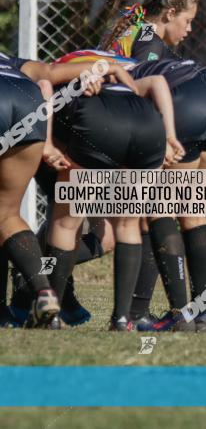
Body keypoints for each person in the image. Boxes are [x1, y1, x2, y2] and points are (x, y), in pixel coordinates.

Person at [42, 49, 184, 330]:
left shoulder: (60, 71)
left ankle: (51, 316)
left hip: (99, 122)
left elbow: (45, 83)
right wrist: (168, 135)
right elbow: (155, 82)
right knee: (128, 224)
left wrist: (47, 143)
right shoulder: (122, 74)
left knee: (67, 222)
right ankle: (121, 319)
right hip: (146, 123)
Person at [0, 51, 135, 328]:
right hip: (29, 106)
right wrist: (109, 67)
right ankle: (43, 291)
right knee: (5, 214)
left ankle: (31, 282)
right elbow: (47, 77)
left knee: (100, 234)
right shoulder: (8, 60)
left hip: (57, 142)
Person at [126, 56, 206, 332]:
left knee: (160, 211)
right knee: (193, 212)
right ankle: (202, 316)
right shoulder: (151, 63)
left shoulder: (116, 78)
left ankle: (180, 315)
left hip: (187, 104)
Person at [99, 0, 199, 62]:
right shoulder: (150, 40)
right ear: (171, 14)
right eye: (187, 21)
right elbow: (140, 80)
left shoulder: (139, 27)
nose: (189, 29)